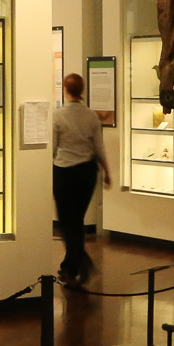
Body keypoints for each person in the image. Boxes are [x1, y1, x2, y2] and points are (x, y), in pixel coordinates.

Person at [51, 72, 110, 283]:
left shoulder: (58, 115)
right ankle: (77, 263)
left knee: (68, 222)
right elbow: (99, 146)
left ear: (66, 90)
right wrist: (107, 171)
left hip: (64, 172)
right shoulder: (91, 116)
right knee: (76, 220)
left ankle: (74, 266)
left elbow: (53, 147)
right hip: (86, 172)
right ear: (82, 90)